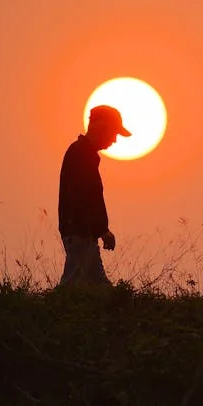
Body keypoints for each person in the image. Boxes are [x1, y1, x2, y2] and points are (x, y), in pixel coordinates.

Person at [57, 104, 131, 288]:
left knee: (98, 285)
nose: (114, 140)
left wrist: (97, 229)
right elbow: (85, 196)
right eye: (114, 133)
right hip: (80, 231)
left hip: (83, 232)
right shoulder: (81, 153)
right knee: (71, 284)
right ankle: (46, 314)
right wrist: (101, 229)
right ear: (101, 126)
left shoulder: (84, 153)